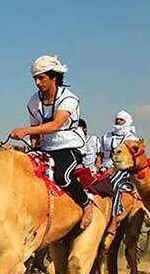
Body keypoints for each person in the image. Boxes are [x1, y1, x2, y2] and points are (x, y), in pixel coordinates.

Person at [10, 54, 93, 229]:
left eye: (41, 78)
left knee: (62, 176)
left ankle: (86, 204)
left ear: (54, 77)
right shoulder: (33, 101)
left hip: (69, 146)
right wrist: (33, 149)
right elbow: (35, 131)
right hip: (46, 146)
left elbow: (55, 125)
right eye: (35, 78)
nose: (38, 82)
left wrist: (25, 131)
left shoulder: (69, 98)